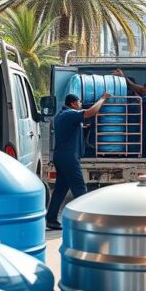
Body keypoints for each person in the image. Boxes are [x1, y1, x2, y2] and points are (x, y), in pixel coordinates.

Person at [45, 91, 111, 230]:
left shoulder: (61, 115)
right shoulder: (70, 114)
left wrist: (85, 128)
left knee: (60, 189)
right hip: (68, 157)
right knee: (80, 189)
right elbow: (90, 112)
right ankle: (87, 222)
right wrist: (102, 99)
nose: (80, 104)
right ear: (74, 103)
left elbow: (74, 127)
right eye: (79, 102)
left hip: (61, 156)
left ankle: (51, 219)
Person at [113, 68, 146, 156]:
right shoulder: (134, 98)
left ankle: (145, 155)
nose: (141, 89)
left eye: (143, 88)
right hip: (138, 124)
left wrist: (124, 78)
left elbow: (139, 97)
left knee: (145, 142)